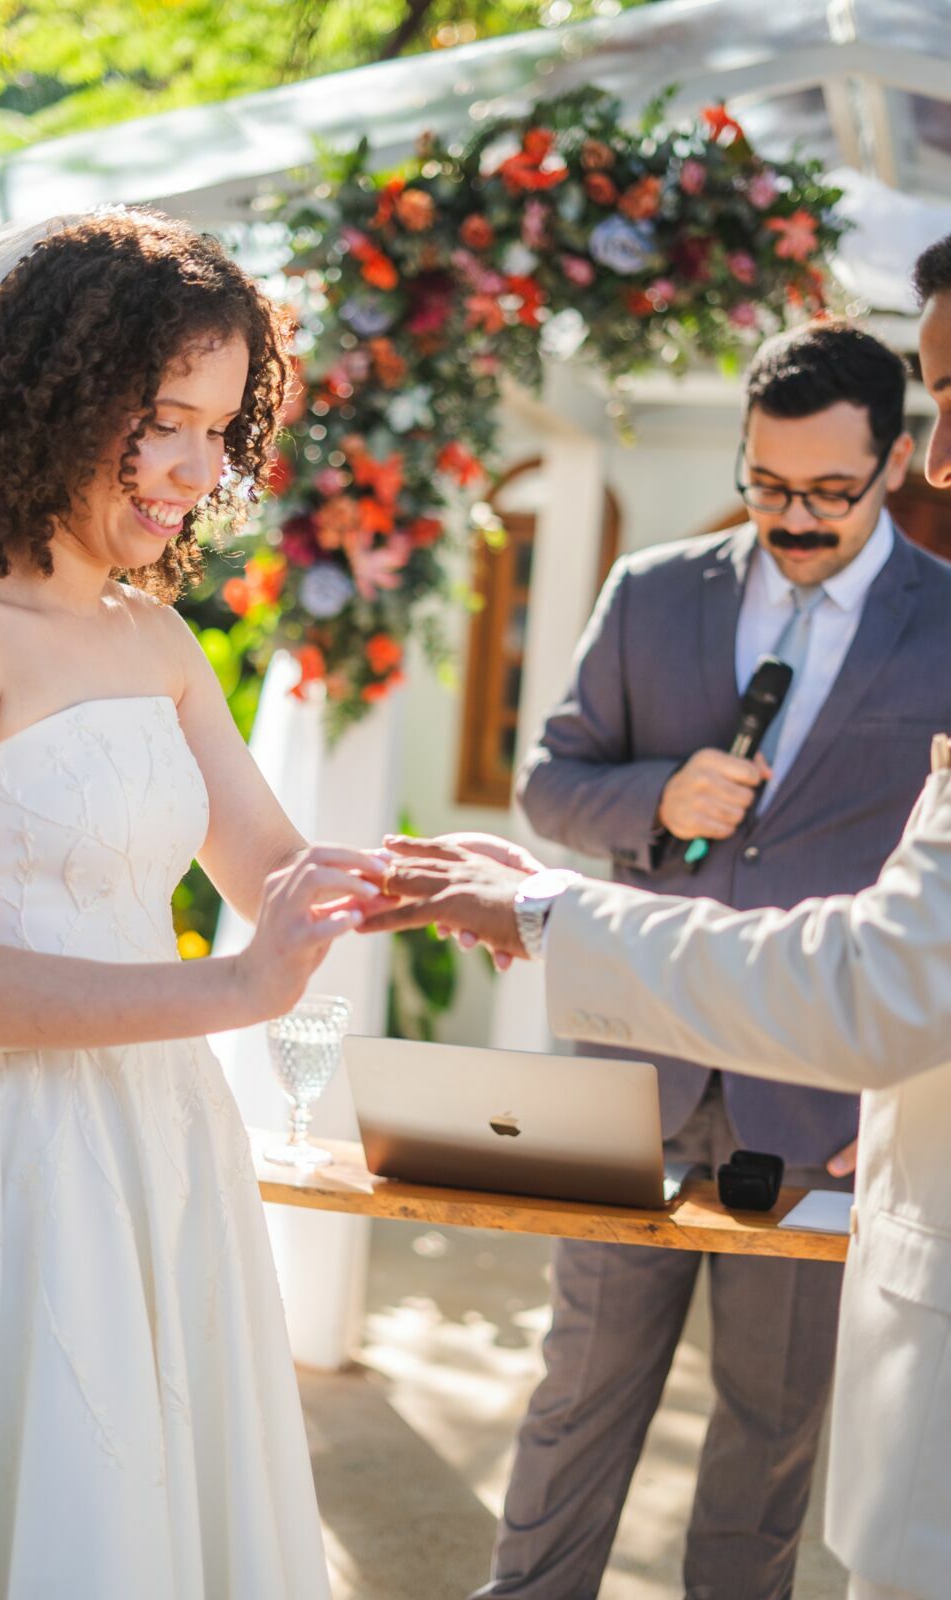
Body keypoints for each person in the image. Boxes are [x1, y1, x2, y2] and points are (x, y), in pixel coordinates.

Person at [362, 235, 951, 1600]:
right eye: (767, 486)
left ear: (890, 463)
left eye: (829, 493)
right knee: (576, 1393)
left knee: (769, 1435)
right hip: (635, 1068)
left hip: (824, 1098)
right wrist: (659, 799)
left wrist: (903, 1092)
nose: (793, 518)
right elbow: (547, 785)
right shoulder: (650, 592)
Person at [0, 209, 385, 1599]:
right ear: (52, 396)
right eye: (163, 421)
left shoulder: (151, 633)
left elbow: (270, 863)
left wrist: (435, 888)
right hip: (8, 1162)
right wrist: (232, 990)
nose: (197, 470)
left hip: (166, 1142)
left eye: (219, 431)